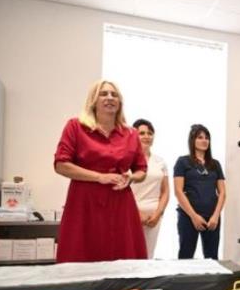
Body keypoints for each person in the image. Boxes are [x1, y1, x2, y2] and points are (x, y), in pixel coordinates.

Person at [54, 80, 147, 262]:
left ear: (120, 102)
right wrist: (99, 177)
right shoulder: (75, 126)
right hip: (84, 202)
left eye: (114, 95)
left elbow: (141, 169)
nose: (110, 98)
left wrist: (131, 178)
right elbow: (61, 164)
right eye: (103, 94)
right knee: (82, 253)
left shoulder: (131, 134)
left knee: (122, 257)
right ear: (93, 101)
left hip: (121, 202)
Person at [173, 124, 226, 260]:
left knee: (212, 257)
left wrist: (215, 216)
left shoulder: (215, 164)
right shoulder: (183, 162)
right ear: (192, 140)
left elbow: (222, 192)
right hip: (188, 216)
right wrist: (194, 216)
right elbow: (178, 191)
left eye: (207, 138)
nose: (204, 140)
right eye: (200, 137)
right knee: (186, 256)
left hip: (212, 217)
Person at [131, 118, 169, 258]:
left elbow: (165, 191)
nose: (147, 136)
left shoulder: (160, 162)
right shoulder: (127, 160)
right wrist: (137, 214)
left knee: (148, 255)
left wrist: (158, 214)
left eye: (150, 133)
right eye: (142, 133)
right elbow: (121, 192)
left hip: (154, 216)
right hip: (131, 214)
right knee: (131, 255)